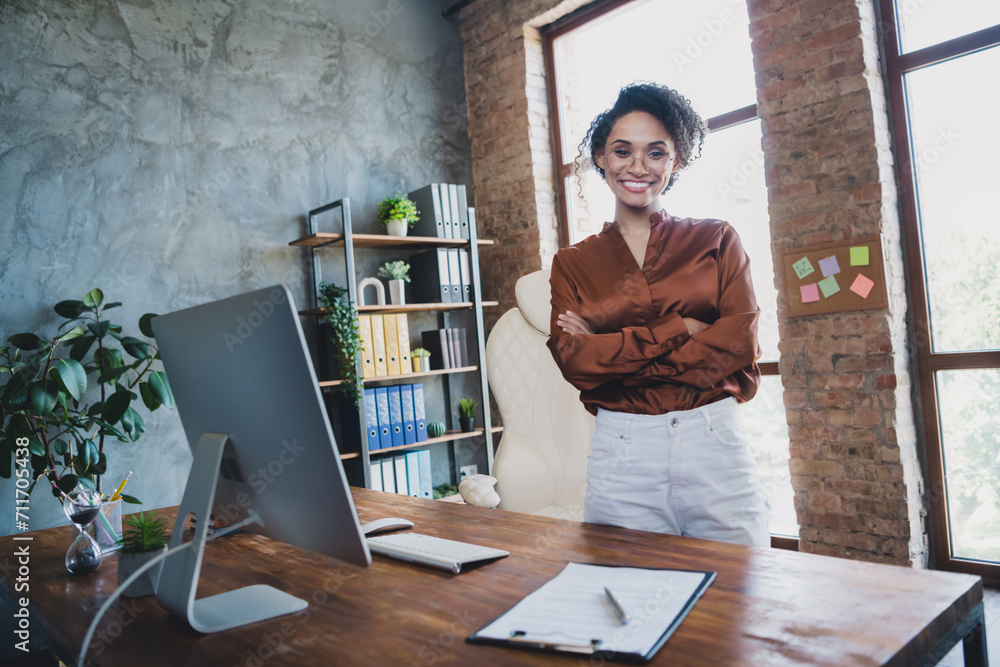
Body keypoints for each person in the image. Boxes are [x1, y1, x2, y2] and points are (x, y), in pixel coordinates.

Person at [546, 82, 769, 547]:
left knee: (740, 599)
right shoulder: (573, 263)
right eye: (622, 150)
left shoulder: (716, 239)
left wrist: (614, 354)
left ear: (676, 161)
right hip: (623, 451)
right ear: (602, 158)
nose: (637, 167)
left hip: (714, 442)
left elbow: (738, 342)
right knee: (627, 601)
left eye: (656, 153)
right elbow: (576, 363)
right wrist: (681, 329)